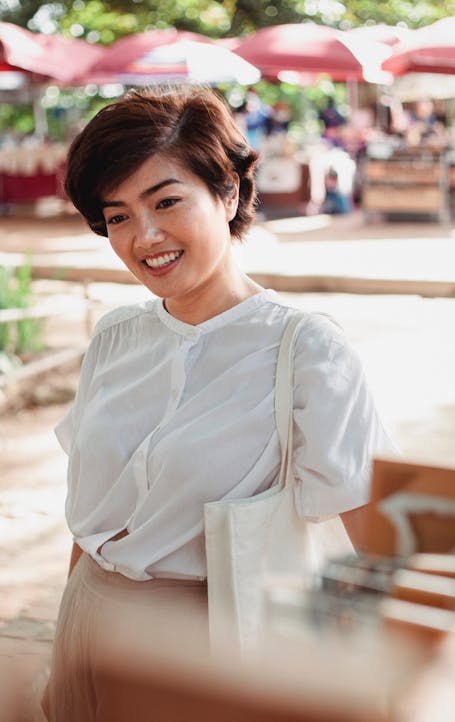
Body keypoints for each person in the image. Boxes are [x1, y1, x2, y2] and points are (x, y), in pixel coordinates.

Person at [42, 84, 397, 721]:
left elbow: (375, 538)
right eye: (117, 215)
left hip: (207, 649)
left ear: (228, 192)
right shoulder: (115, 337)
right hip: (86, 621)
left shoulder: (307, 349)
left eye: (166, 201)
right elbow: (92, 520)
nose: (144, 236)